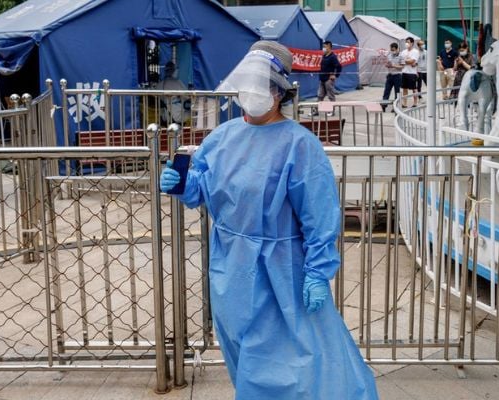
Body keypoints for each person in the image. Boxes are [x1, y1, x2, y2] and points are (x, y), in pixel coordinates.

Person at [159, 40, 378, 400]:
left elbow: (320, 216)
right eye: (248, 85)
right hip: (230, 271)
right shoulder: (223, 138)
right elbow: (204, 188)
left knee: (289, 364)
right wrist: (183, 184)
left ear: (279, 92)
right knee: (243, 354)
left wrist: (318, 273)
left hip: (281, 274)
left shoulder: (300, 146)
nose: (252, 94)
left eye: (261, 87)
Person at [318, 40, 342, 109]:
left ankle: (332, 110)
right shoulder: (324, 56)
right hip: (322, 79)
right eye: (323, 47)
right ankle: (317, 111)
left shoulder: (333, 57)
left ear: (329, 47)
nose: (323, 48)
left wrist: (335, 75)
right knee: (320, 95)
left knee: (330, 96)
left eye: (324, 47)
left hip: (328, 80)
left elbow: (339, 66)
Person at [382, 42, 403, 111]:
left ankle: (396, 107)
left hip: (397, 76)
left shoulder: (401, 56)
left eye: (394, 50)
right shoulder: (389, 55)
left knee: (397, 92)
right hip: (390, 75)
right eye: (391, 50)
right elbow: (387, 63)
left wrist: (393, 65)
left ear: (397, 49)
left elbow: (402, 66)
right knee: (386, 91)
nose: (392, 51)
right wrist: (387, 65)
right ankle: (384, 105)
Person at [400, 37, 420, 107]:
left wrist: (406, 60)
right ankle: (404, 103)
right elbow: (401, 61)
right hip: (404, 72)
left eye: (408, 42)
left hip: (412, 73)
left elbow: (413, 61)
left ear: (412, 43)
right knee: (404, 88)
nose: (407, 43)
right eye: (406, 42)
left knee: (414, 88)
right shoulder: (403, 52)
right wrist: (408, 61)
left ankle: (415, 102)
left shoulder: (415, 51)